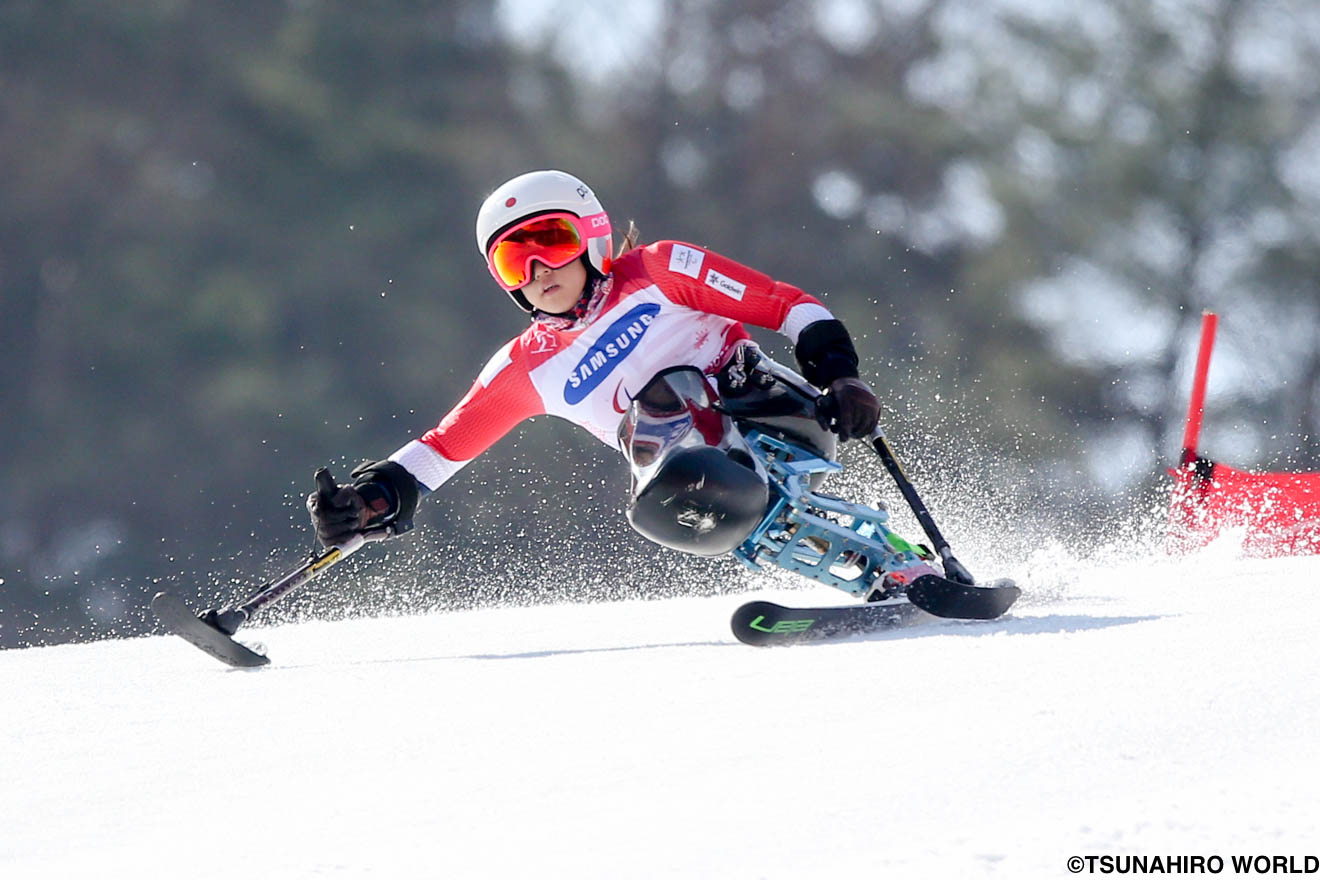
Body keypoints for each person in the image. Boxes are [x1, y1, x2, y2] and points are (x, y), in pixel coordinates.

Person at [307, 169, 881, 551]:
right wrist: (368, 500)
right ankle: (865, 564)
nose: (538, 273)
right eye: (514, 262)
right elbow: (440, 449)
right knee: (654, 434)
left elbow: (786, 305)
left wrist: (840, 375)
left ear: (592, 239)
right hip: (697, 486)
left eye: (551, 242)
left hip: (778, 412)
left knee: (668, 395)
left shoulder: (661, 271)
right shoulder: (526, 368)